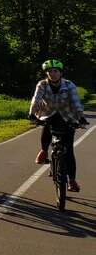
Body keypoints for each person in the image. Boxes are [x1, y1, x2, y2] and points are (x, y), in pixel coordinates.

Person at [29, 59, 89, 192]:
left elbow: (75, 101)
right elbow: (36, 100)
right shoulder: (42, 85)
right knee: (46, 125)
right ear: (46, 73)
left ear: (60, 73)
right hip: (48, 114)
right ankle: (44, 152)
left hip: (67, 116)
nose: (53, 74)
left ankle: (72, 181)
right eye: (50, 71)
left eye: (56, 71)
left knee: (69, 151)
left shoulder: (69, 85)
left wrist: (81, 118)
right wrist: (32, 114)